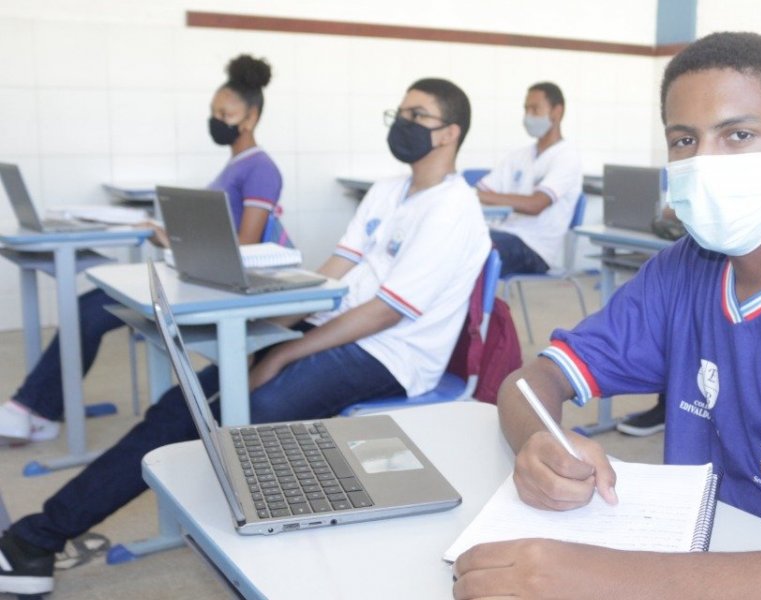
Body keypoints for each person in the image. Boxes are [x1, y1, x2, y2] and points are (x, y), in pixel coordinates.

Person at [452, 32, 761, 600]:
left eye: (738, 135)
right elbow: (533, 380)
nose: (705, 161)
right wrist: (540, 440)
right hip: (698, 554)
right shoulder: (683, 270)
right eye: (684, 140)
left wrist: (600, 579)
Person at [0, 78, 489, 596]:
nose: (402, 125)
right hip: (332, 329)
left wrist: (282, 355)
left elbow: (385, 313)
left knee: (240, 417)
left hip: (390, 354)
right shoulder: (388, 191)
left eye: (417, 116)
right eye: (400, 113)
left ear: (449, 133)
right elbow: (332, 275)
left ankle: (39, 540)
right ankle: (38, 541)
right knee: (181, 406)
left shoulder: (454, 209)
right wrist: (264, 329)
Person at [0, 54, 286, 444]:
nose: (216, 120)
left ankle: (32, 409)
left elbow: (247, 245)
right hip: (201, 272)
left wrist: (175, 242)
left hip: (221, 284)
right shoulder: (235, 165)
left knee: (89, 311)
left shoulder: (261, 168)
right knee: (88, 308)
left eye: (225, 114)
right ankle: (37, 408)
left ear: (250, 118)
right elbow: (217, 237)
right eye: (213, 112)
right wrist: (166, 236)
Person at [477, 82, 583, 277]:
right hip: (504, 233)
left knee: (471, 250)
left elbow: (535, 205)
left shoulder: (567, 157)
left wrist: (487, 197)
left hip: (535, 248)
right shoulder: (519, 156)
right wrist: (484, 196)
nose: (528, 116)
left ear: (557, 112)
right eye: (526, 109)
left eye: (535, 109)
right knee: (457, 239)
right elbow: (482, 191)